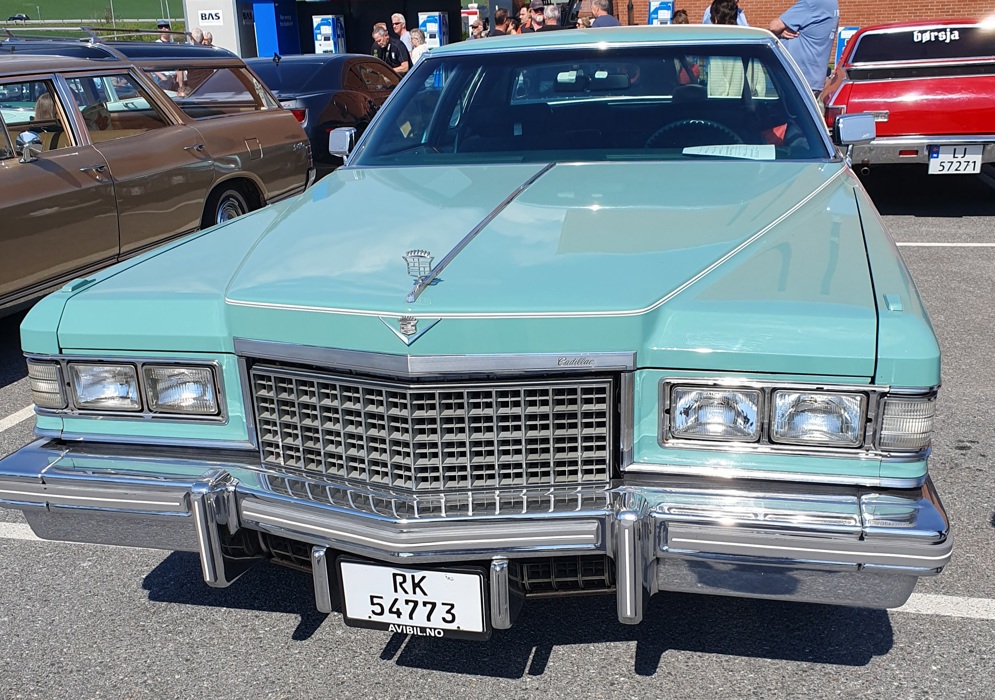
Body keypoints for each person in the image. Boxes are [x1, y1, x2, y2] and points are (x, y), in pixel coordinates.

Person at [769, 0, 839, 96]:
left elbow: (774, 26)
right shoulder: (831, 3)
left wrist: (779, 32)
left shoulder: (812, 3)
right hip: (811, 78)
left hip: (798, 79)